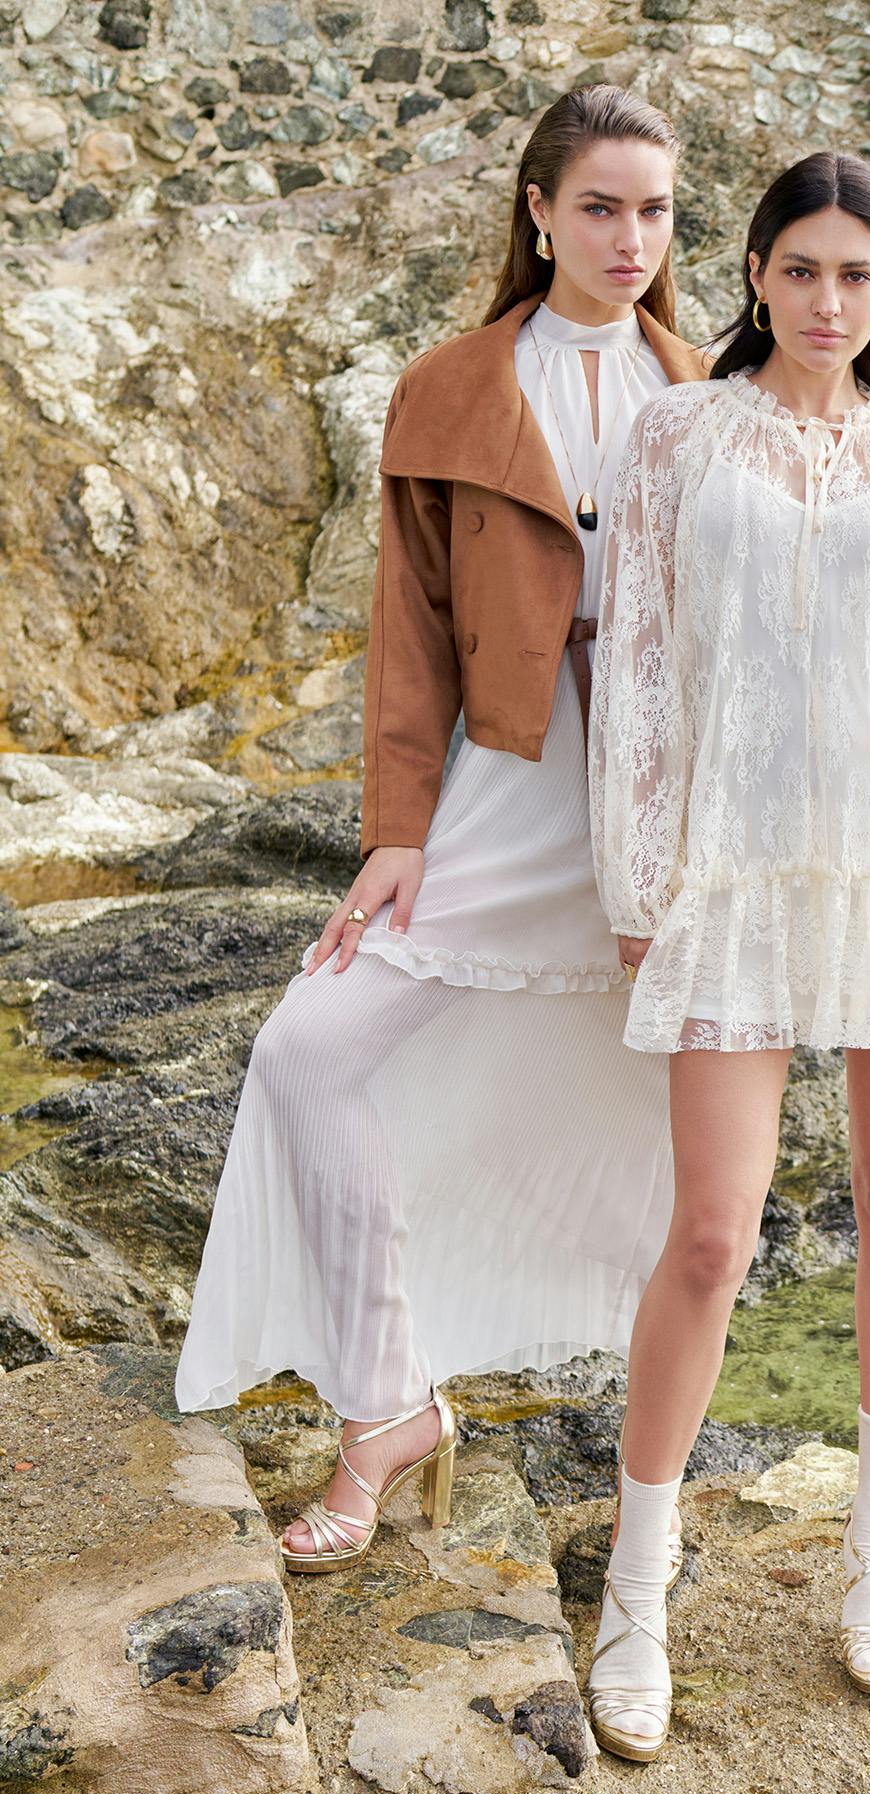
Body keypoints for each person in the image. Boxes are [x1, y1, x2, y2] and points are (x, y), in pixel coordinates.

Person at [173, 85, 707, 1576]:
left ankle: (655, 1519)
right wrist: (397, 830)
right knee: (307, 1050)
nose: (627, 236)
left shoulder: (707, 390)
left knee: (696, 1170)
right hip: (502, 794)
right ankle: (388, 1402)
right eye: (598, 205)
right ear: (537, 210)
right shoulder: (450, 387)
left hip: (658, 823)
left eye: (654, 210)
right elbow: (408, 633)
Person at [583, 149, 870, 1759]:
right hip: (728, 874)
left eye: (859, 274)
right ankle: (637, 1588)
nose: (829, 300)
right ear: (758, 274)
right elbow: (634, 664)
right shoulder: (676, 437)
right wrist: (641, 879)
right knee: (711, 1237)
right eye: (802, 269)